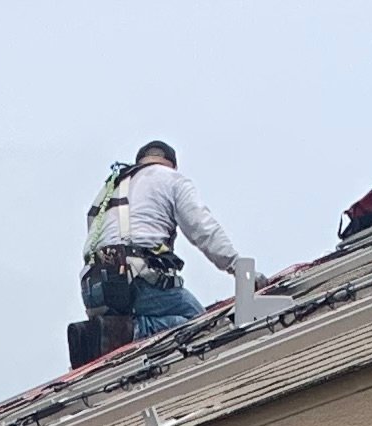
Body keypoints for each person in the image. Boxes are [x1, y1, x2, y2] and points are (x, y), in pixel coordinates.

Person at [80, 140, 258, 351]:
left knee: (154, 343)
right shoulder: (171, 179)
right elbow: (201, 227)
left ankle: (103, 334)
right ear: (171, 164)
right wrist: (239, 267)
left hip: (94, 287)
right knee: (202, 326)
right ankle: (129, 331)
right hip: (136, 279)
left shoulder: (110, 190)